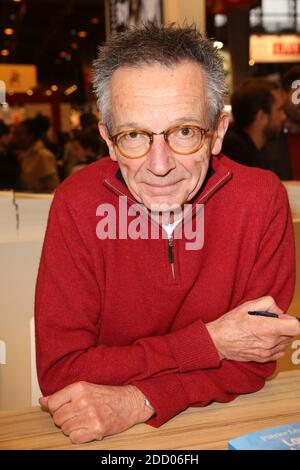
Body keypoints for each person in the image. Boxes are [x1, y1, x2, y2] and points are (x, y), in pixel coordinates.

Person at [35, 24, 300, 444]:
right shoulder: (76, 204)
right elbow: (62, 371)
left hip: (219, 426)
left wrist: (140, 399)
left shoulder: (262, 199)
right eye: (134, 135)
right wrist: (213, 341)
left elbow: (254, 360)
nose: (159, 166)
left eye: (184, 132)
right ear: (107, 139)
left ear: (218, 132)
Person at [222, 78, 287, 174]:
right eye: (279, 110)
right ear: (261, 117)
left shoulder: (261, 149)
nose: (284, 116)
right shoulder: (234, 154)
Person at [14, 114, 59, 193]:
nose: (15, 138)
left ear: (30, 136)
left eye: (18, 134)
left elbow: (53, 188)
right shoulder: (22, 154)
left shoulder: (43, 156)